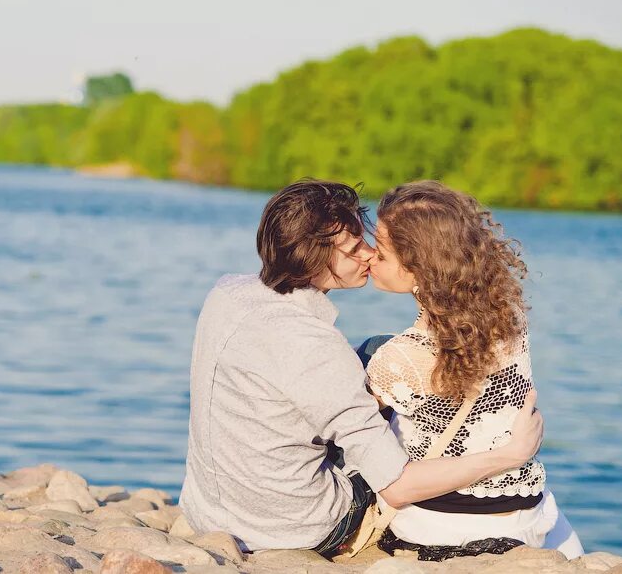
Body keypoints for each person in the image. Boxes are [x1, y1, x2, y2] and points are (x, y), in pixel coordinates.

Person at [178, 180, 544, 556]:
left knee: (378, 351)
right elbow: (396, 486)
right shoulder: (320, 351)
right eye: (355, 248)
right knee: (391, 365)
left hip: (206, 510)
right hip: (293, 528)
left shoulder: (226, 293)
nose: (369, 254)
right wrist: (509, 456)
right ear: (313, 259)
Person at [363, 181, 583, 558]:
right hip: (527, 514)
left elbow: (355, 440)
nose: (368, 257)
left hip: (448, 525)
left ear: (419, 268)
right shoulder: (509, 320)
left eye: (380, 252)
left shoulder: (399, 359)